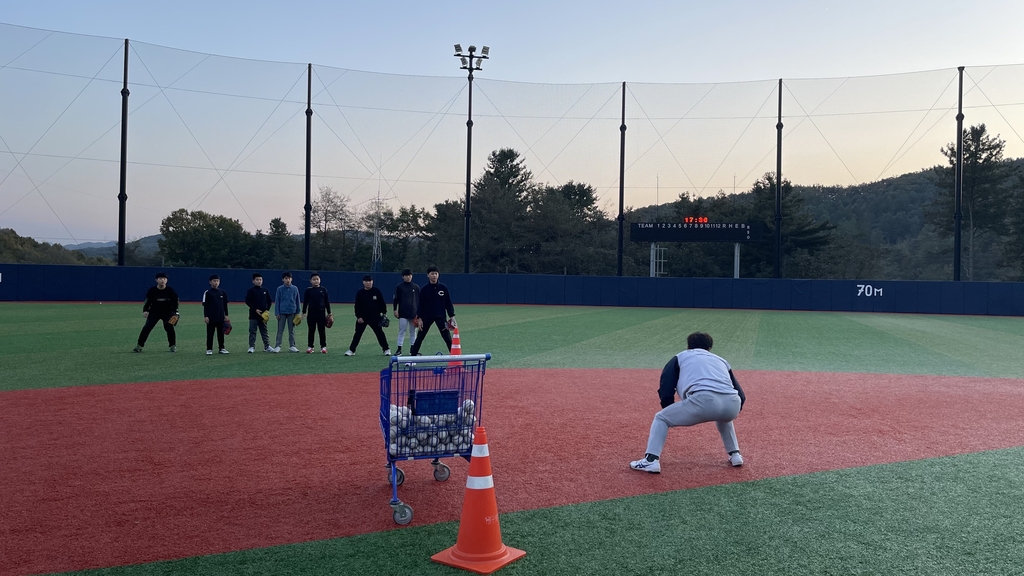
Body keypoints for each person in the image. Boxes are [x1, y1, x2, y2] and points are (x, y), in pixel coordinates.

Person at [629, 331, 746, 474]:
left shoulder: (681, 356)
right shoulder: (721, 360)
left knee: (661, 418)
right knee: (724, 417)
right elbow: (740, 393)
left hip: (703, 400)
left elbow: (666, 384)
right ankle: (735, 455)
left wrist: (669, 408)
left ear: (688, 346)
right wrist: (735, 409)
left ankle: (651, 460)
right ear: (709, 348)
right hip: (732, 402)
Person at [409, 266, 456, 356]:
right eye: (432, 274)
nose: (434, 275)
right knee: (420, 337)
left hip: (441, 316)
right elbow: (421, 305)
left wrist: (452, 316)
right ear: (428, 275)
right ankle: (412, 357)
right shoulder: (424, 289)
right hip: (426, 317)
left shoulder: (443, 288)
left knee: (447, 337)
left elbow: (448, 303)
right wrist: (419, 318)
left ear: (438, 275)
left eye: (436, 273)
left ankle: (455, 358)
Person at [344, 274, 390, 356]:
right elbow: (357, 306)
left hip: (375, 317)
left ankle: (386, 349)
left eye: (370, 281)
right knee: (357, 334)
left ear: (372, 282)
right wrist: (359, 317)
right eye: (366, 281)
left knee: (379, 334)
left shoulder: (377, 291)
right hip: (363, 317)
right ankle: (352, 350)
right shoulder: (360, 293)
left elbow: (382, 303)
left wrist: (384, 313)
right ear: (363, 282)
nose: (368, 283)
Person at [133, 272, 180, 353]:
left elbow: (175, 302)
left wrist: (175, 312)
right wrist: (145, 310)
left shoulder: (170, 291)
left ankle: (173, 346)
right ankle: (139, 346)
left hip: (167, 312)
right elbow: (147, 302)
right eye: (160, 278)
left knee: (169, 328)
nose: (163, 280)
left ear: (167, 280)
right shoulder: (152, 291)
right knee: (147, 328)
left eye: (164, 279)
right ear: (156, 280)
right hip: (154, 312)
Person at [302, 272, 333, 354]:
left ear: (320, 280)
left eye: (317, 279)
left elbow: (327, 302)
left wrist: (329, 312)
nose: (316, 281)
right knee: (311, 330)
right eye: (314, 279)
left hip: (321, 313)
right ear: (310, 281)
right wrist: (304, 312)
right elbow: (305, 302)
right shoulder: (308, 291)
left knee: (321, 330)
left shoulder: (323, 290)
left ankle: (323, 347)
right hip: (311, 313)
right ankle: (310, 346)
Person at [392, 268, 420, 356]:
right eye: (406, 275)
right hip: (403, 313)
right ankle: (399, 349)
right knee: (402, 331)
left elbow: (419, 301)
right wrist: (395, 310)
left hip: (414, 313)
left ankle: (413, 349)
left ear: (412, 276)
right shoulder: (399, 287)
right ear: (403, 277)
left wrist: (419, 313)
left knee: (413, 332)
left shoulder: (416, 287)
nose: (408, 277)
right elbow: (395, 299)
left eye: (409, 275)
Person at [202, 274, 230, 355]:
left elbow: (225, 305)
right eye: (214, 281)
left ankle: (222, 348)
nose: (216, 283)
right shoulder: (207, 293)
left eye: (217, 281)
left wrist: (226, 315)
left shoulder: (223, 292)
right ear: (210, 282)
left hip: (221, 317)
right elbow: (205, 306)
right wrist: (206, 316)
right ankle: (209, 349)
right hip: (211, 317)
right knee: (210, 334)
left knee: (221, 334)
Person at [245, 272, 273, 353]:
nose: (259, 281)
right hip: (253, 315)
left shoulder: (265, 290)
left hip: (263, 315)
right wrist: (255, 309)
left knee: (264, 331)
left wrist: (267, 310)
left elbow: (269, 301)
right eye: (257, 280)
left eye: (260, 280)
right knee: (252, 331)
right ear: (253, 281)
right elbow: (248, 301)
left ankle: (267, 346)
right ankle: (251, 346)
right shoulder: (250, 291)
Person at [273, 272, 301, 353]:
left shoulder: (295, 288)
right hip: (282, 312)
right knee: (280, 330)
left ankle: (292, 346)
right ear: (283, 279)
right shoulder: (279, 289)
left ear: (291, 279)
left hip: (292, 312)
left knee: (291, 330)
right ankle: (278, 346)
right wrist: (277, 313)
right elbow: (277, 301)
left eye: (289, 278)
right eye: (286, 278)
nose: (287, 280)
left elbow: (297, 300)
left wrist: (298, 312)